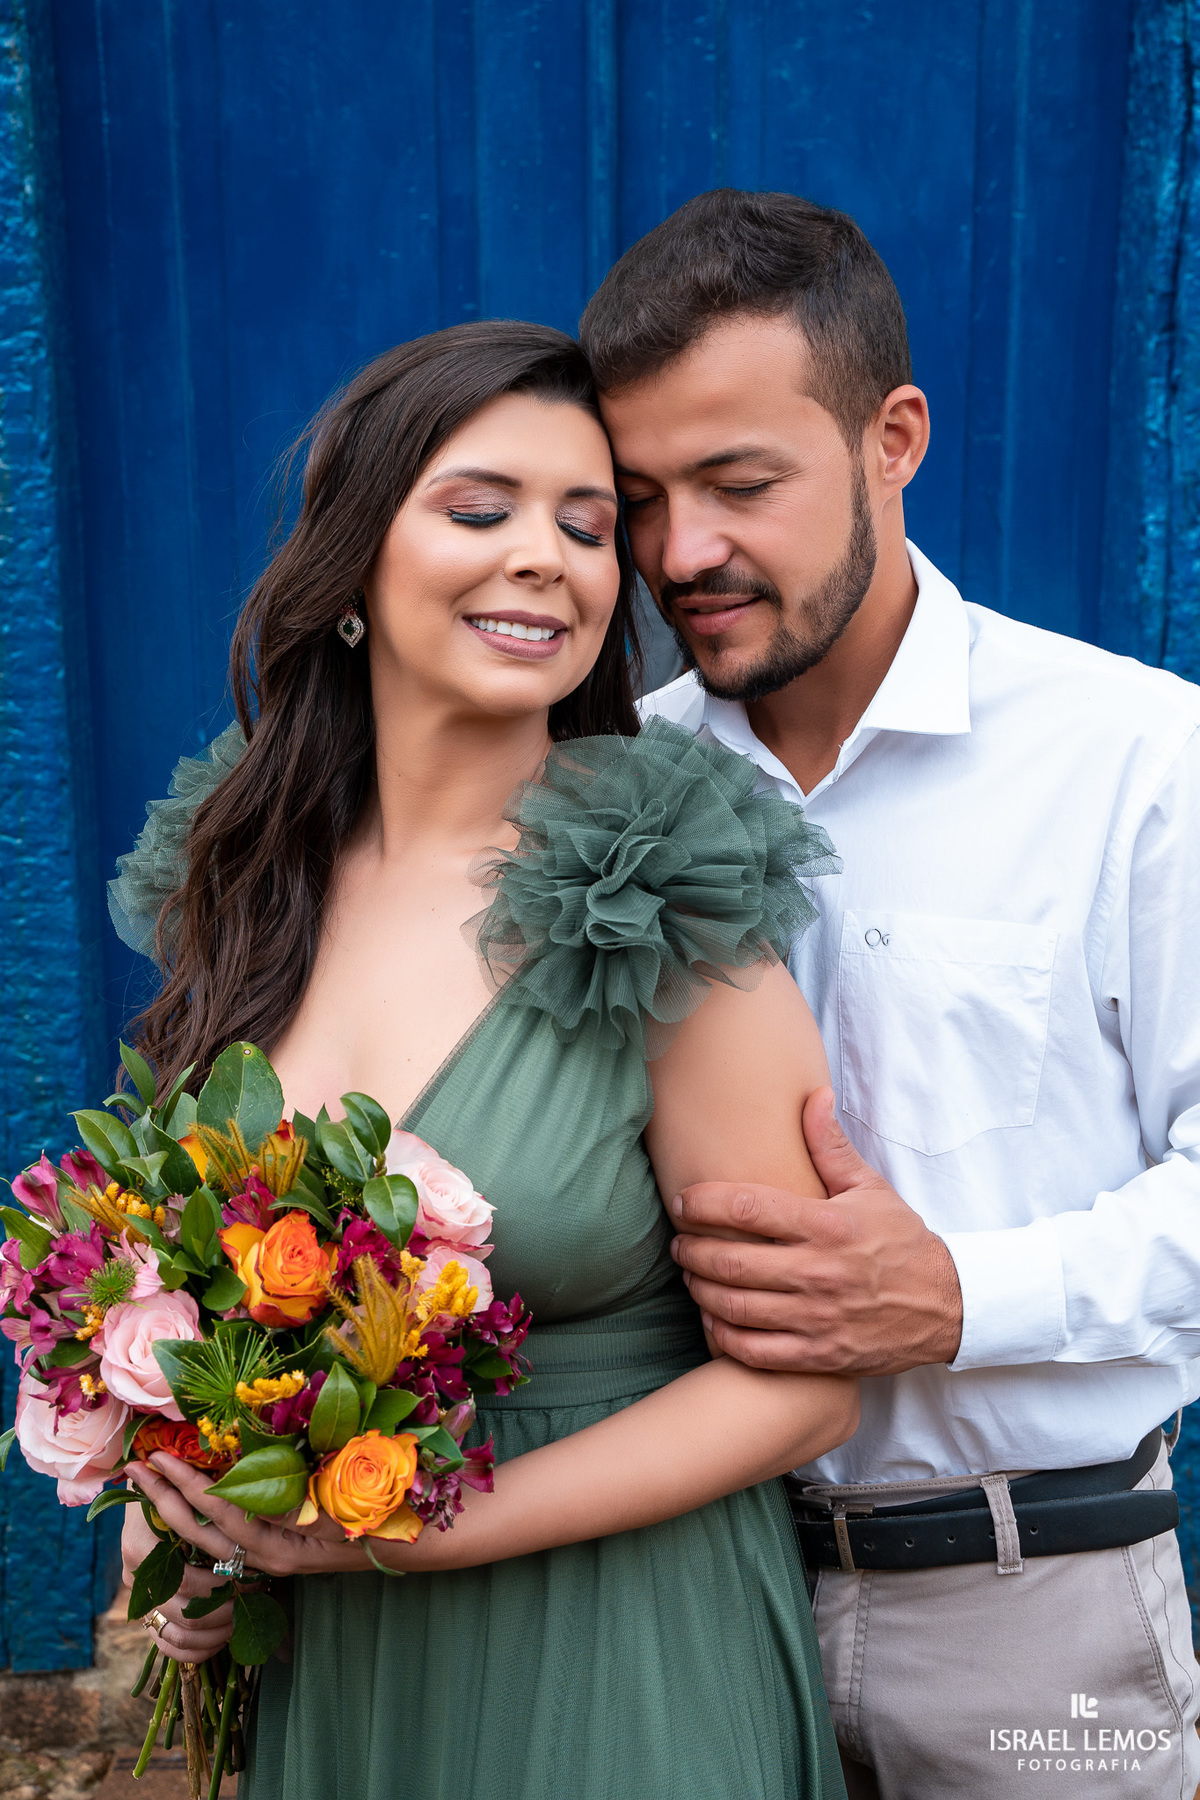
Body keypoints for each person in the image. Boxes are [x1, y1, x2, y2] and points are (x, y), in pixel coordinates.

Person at [111, 321, 858, 1800]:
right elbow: (187, 1281)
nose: (551, 558)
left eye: (588, 527)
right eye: (481, 509)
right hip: (338, 1673)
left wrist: (408, 1526)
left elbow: (807, 1391)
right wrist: (183, 1510)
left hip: (621, 1659)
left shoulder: (653, 890)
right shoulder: (252, 882)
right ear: (351, 572)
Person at [578, 188, 1200, 1798]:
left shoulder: (1141, 761)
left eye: (737, 483)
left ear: (893, 437)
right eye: (638, 498)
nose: (678, 554)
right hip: (682, 1610)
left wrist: (961, 1299)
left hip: (1037, 1618)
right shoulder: (601, 791)